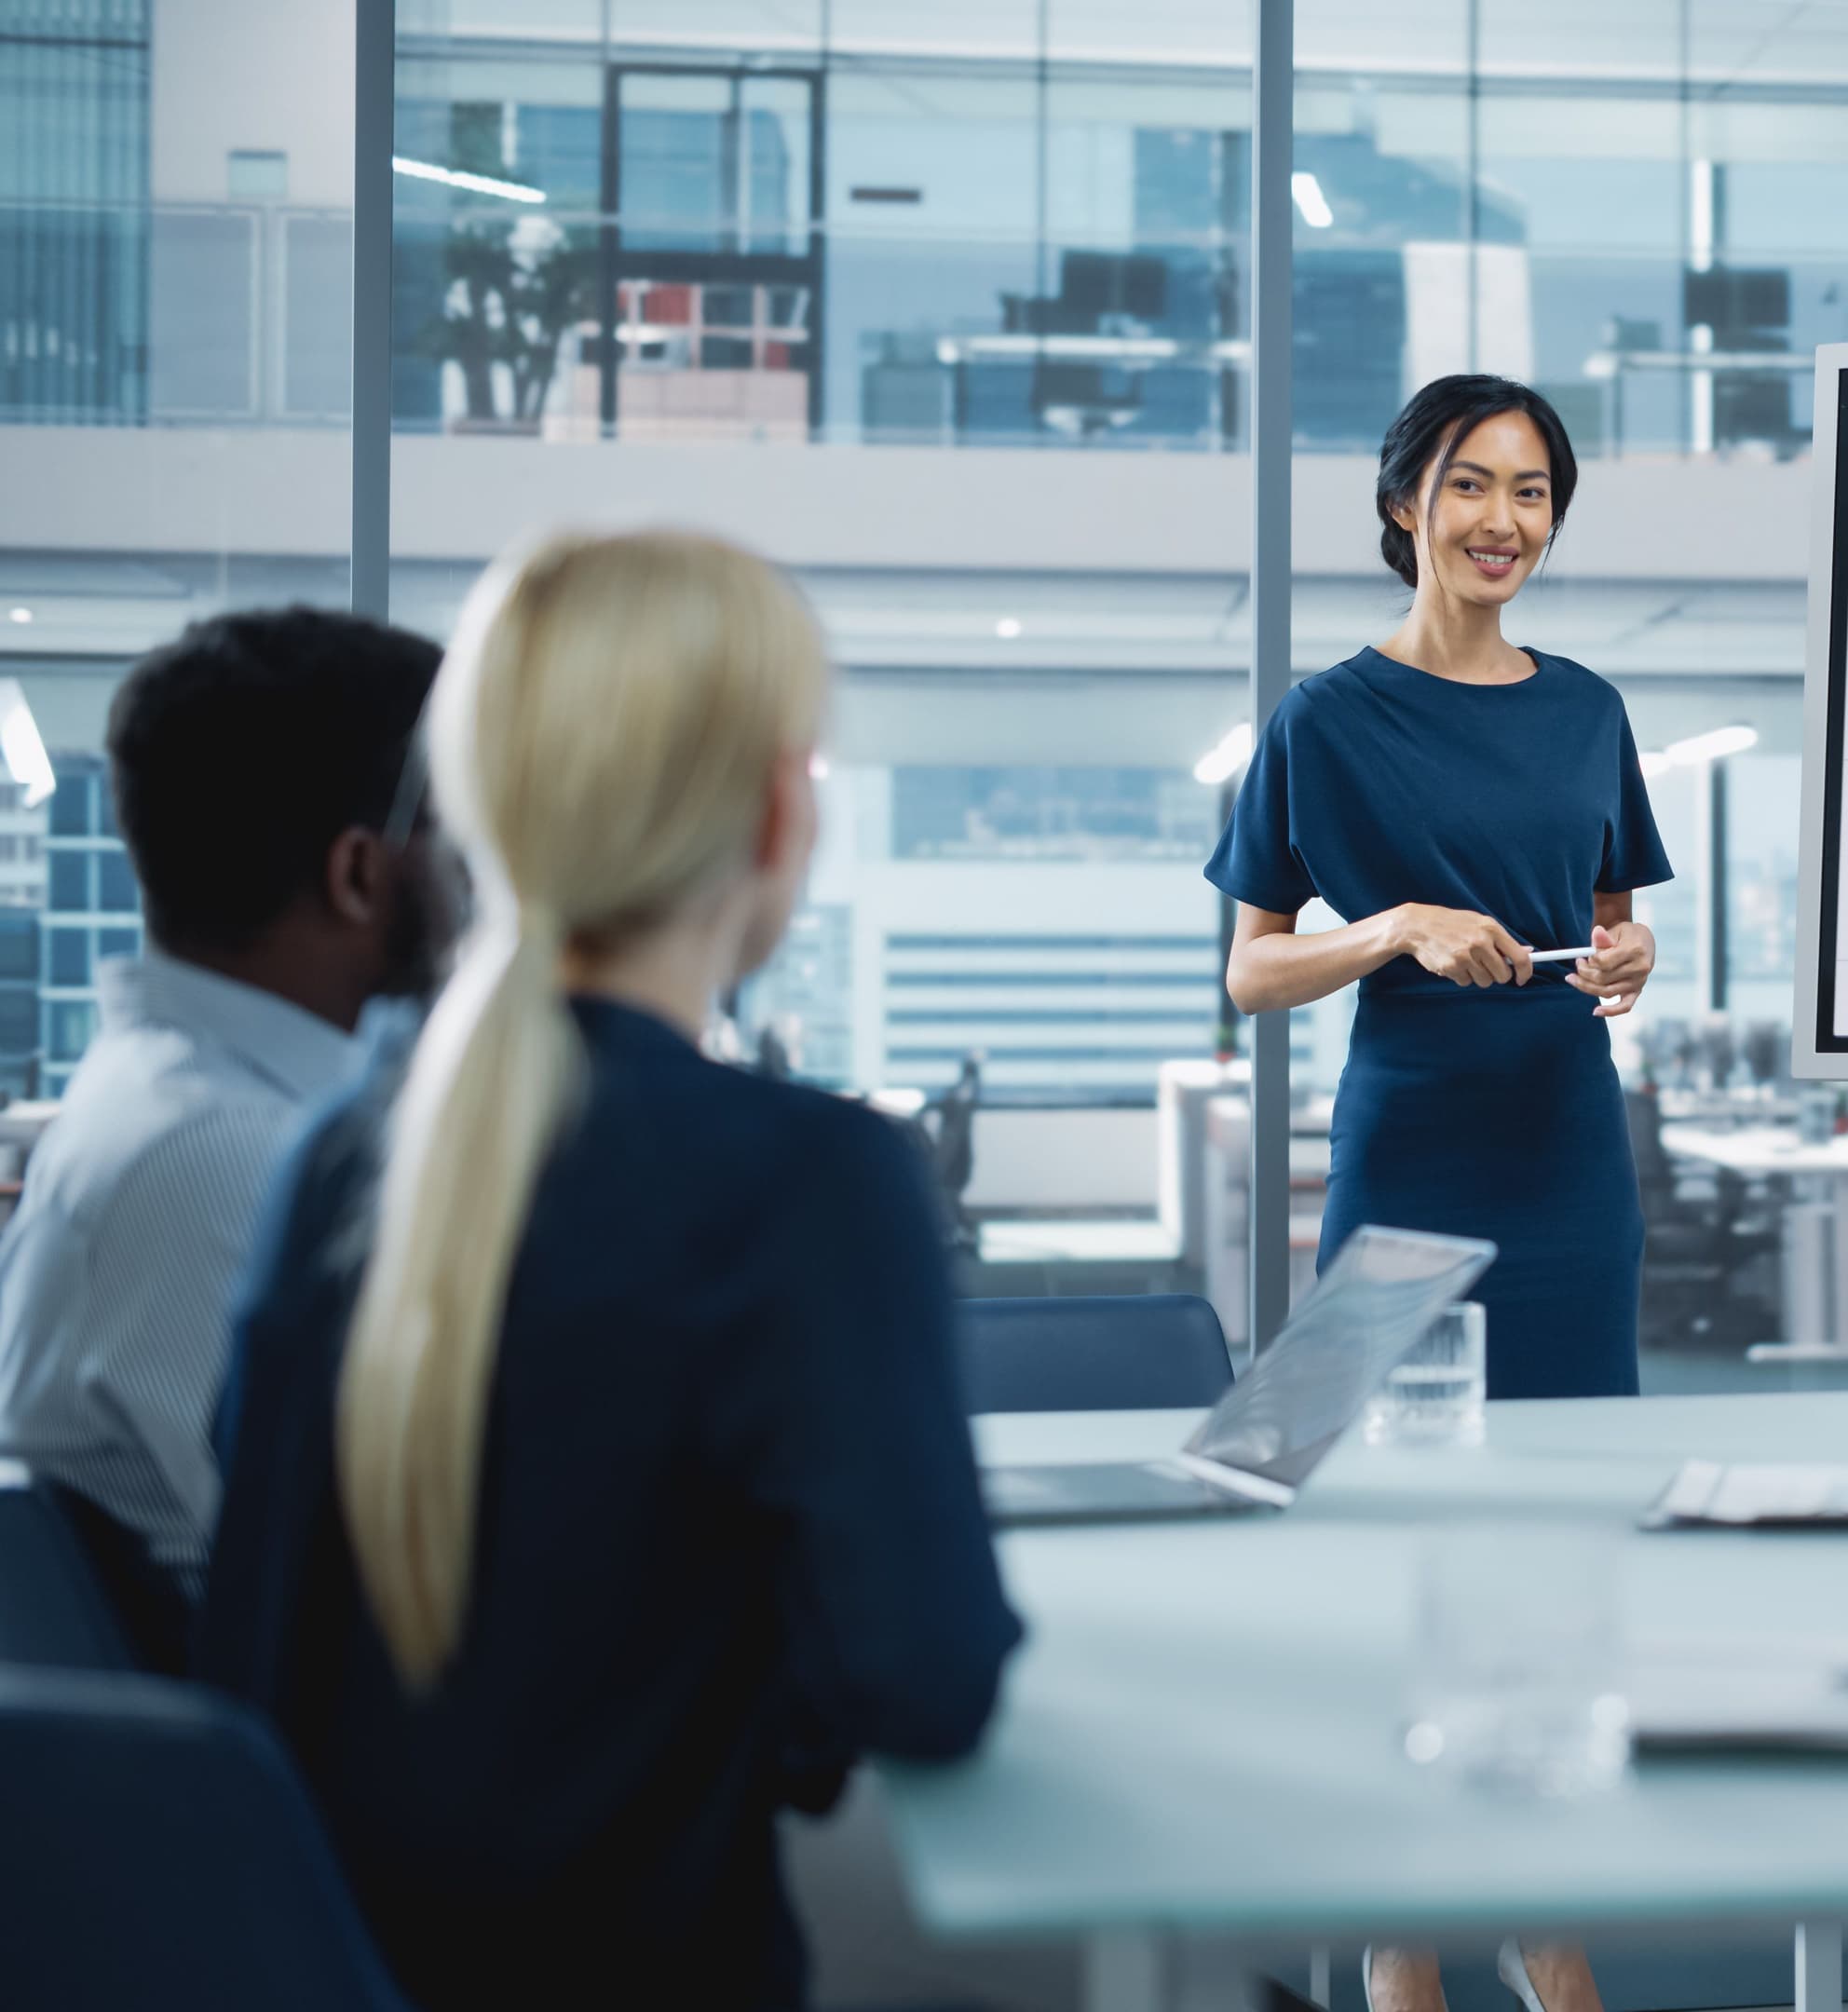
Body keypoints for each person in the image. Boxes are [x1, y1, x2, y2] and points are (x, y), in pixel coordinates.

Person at [196, 531, 1023, 2012]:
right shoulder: (812, 1179)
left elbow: (255, 1654)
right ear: (778, 812)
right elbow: (927, 1684)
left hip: (332, 1968)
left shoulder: (341, 1151)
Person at [1205, 374, 1665, 2012]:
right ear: (1406, 503)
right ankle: (1404, 1943)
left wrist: (1629, 955)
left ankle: (1549, 1931)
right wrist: (1392, 927)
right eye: (1472, 484)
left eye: (1533, 493)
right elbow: (1253, 972)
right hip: (1408, 1158)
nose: (1502, 521)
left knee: (1560, 1540)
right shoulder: (1323, 720)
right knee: (1393, 1532)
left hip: (1570, 1161)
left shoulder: (1589, 709)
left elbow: (1614, 917)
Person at [0, 607, 447, 1641]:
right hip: (302, 1730)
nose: (478, 885)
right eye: (456, 839)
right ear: (359, 874)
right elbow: (413, 1584)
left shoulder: (177, 1102)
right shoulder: (225, 1158)